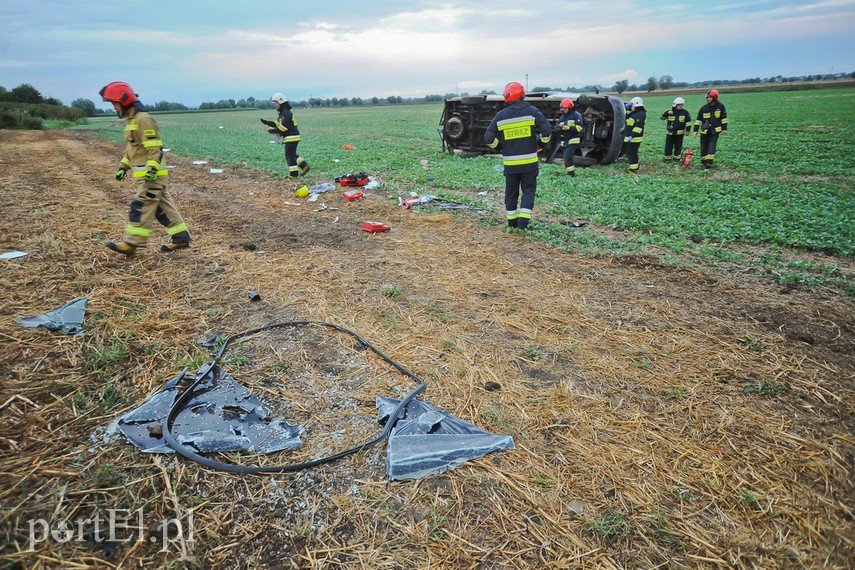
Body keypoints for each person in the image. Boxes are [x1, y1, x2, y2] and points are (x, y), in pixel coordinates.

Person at [100, 82, 190, 255]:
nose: (113, 107)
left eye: (114, 103)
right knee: (162, 208)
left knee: (141, 206)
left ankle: (131, 243)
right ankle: (181, 238)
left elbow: (154, 148)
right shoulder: (133, 120)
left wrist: (152, 170)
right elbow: (134, 150)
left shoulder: (143, 119)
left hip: (152, 176)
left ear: (124, 100)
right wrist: (123, 167)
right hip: (147, 175)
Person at [484, 81, 552, 230]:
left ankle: (512, 223)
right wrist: (542, 144)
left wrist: (499, 147)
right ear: (522, 95)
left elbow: (488, 138)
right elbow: (547, 130)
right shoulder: (532, 111)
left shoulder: (500, 116)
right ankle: (523, 224)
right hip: (529, 163)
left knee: (511, 192)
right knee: (528, 190)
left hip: (510, 165)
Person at [261, 93, 310, 178]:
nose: (275, 105)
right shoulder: (284, 112)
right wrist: (268, 123)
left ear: (280, 102)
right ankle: (304, 166)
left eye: (276, 103)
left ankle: (294, 175)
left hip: (291, 137)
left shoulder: (285, 113)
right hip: (293, 136)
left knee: (289, 155)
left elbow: (284, 128)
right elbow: (278, 124)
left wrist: (272, 130)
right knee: (292, 154)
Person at [692, 89, 728, 168]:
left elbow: (724, 119)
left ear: (714, 98)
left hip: (715, 130)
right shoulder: (704, 108)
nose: (707, 99)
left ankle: (709, 161)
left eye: (709, 97)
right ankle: (704, 160)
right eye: (707, 97)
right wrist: (695, 130)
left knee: (712, 144)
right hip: (705, 130)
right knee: (704, 145)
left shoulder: (721, 107)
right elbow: (698, 120)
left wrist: (724, 129)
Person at [555, 98, 583, 176]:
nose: (563, 110)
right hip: (565, 141)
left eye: (565, 108)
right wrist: (558, 128)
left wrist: (569, 128)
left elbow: (580, 128)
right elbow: (557, 127)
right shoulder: (562, 117)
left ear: (570, 108)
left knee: (567, 155)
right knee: (566, 156)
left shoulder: (576, 115)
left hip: (573, 140)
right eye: (562, 109)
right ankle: (570, 173)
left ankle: (571, 174)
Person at [660, 97, 691, 161]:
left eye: (682, 105)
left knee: (678, 146)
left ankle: (677, 158)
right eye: (679, 105)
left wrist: (688, 130)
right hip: (670, 133)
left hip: (680, 134)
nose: (681, 106)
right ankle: (667, 158)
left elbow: (688, 122)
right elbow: (662, 117)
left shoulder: (685, 112)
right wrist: (667, 113)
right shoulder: (670, 112)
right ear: (675, 105)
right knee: (668, 146)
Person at [622, 97, 646, 173]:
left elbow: (638, 127)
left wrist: (632, 136)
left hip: (634, 138)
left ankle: (633, 169)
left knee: (632, 153)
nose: (631, 107)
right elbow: (626, 118)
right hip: (630, 138)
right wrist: (627, 108)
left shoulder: (641, 114)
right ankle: (633, 167)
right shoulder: (634, 113)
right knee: (629, 153)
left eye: (632, 105)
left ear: (636, 105)